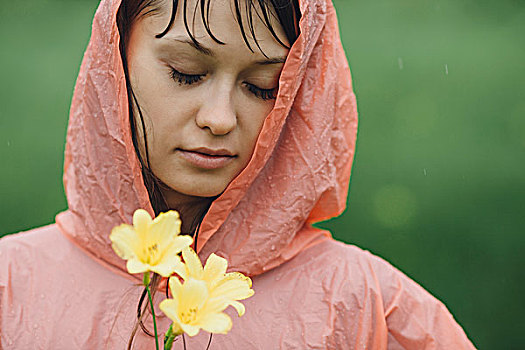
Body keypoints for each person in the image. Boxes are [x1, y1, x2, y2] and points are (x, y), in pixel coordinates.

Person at [0, 0, 477, 348]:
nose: (220, 117)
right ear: (114, 59)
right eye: (186, 73)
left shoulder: (363, 305)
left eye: (262, 86)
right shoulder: (11, 287)